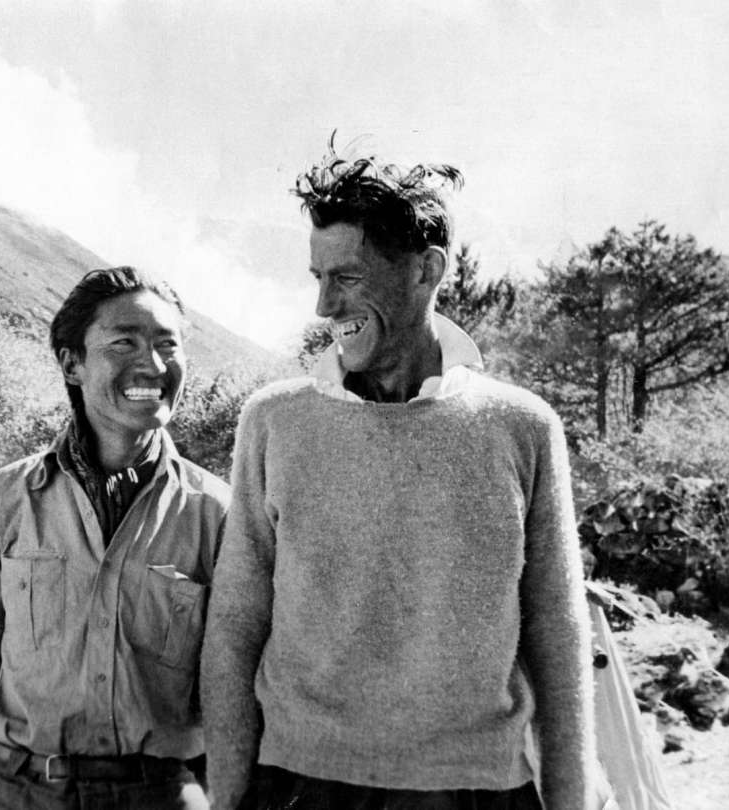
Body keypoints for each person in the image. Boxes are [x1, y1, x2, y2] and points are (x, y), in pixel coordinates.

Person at [201, 145, 593, 810]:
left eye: (348, 277)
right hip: (301, 786)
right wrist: (229, 797)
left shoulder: (522, 427)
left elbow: (557, 631)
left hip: (478, 790)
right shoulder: (274, 422)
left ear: (426, 270)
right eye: (318, 277)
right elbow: (237, 623)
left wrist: (571, 800)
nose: (324, 304)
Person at [0, 267, 230, 810]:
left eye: (167, 344)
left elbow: (232, 678)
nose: (153, 364)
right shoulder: (2, 500)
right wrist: (11, 773)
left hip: (159, 795)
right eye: (124, 342)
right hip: (14, 790)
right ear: (71, 364)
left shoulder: (218, 514)